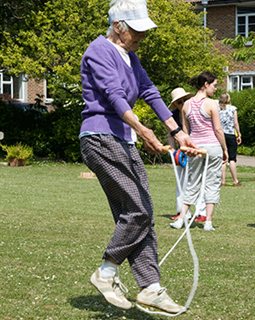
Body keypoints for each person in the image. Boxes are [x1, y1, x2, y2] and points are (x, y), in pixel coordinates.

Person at [79, 0, 197, 314]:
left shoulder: (130, 56)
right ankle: (106, 272)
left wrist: (176, 131)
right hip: (101, 137)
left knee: (141, 213)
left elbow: (149, 91)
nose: (141, 36)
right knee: (139, 210)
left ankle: (150, 287)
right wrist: (144, 130)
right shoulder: (98, 51)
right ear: (118, 25)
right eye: (136, 30)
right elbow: (114, 95)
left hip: (123, 140)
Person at [170, 71, 228, 231]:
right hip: (212, 147)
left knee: (191, 182)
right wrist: (225, 149)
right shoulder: (211, 104)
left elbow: (185, 131)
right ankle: (208, 221)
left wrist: (187, 147)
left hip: (195, 147)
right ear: (206, 85)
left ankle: (181, 218)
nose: (215, 89)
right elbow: (217, 129)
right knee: (212, 183)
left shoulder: (187, 105)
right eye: (214, 85)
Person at [168, 88, 207, 223]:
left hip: (196, 150)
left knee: (197, 181)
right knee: (181, 182)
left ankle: (201, 212)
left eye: (184, 100)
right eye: (179, 102)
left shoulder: (193, 112)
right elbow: (171, 135)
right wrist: (173, 152)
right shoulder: (172, 116)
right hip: (181, 153)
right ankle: (182, 211)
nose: (182, 103)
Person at [219, 93, 242, 186]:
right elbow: (235, 123)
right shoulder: (233, 109)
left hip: (220, 135)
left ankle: (222, 181)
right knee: (232, 158)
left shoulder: (217, 109)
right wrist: (239, 134)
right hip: (230, 135)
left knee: (223, 158)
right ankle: (235, 180)